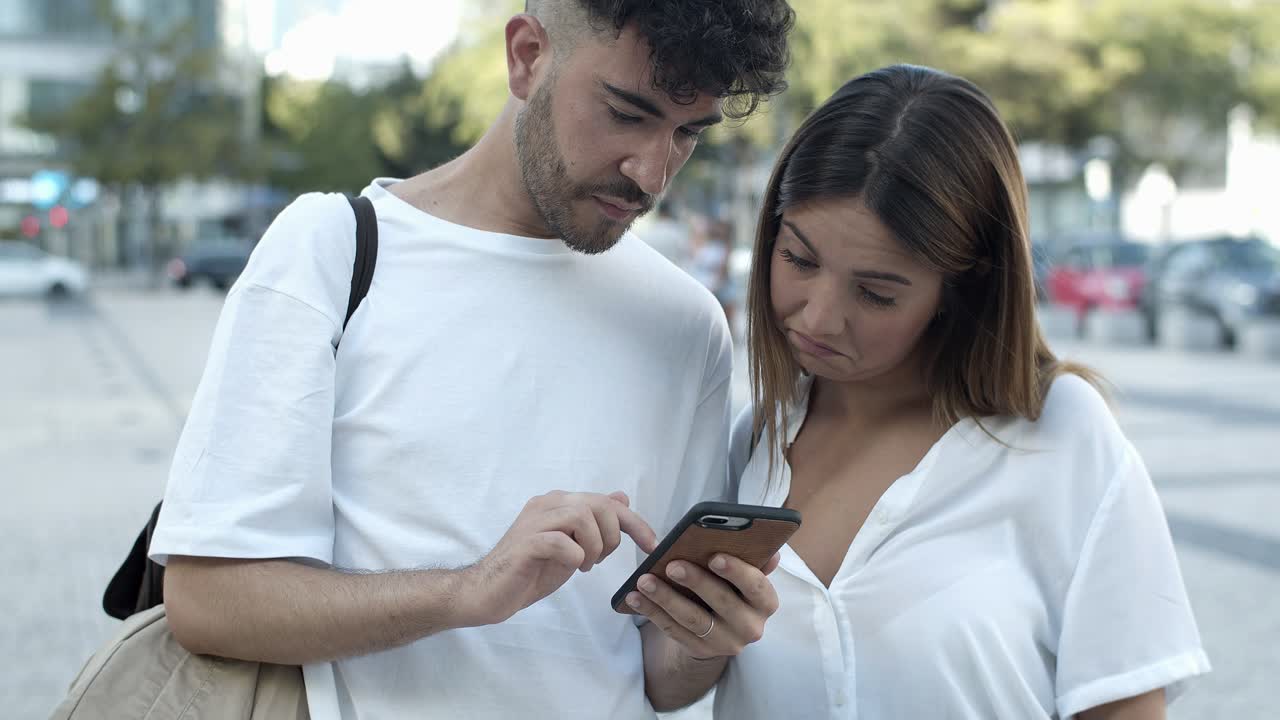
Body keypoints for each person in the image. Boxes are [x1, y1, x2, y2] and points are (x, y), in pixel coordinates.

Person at [148, 2, 794, 718]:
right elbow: (208, 598)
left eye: (687, 133)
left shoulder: (687, 323)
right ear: (527, 56)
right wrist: (468, 590)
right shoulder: (333, 250)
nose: (651, 173)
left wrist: (705, 641)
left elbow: (657, 676)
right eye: (625, 114)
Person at [717, 65, 1209, 719]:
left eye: (876, 293)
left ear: (963, 284)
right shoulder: (755, 440)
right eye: (799, 260)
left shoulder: (1058, 432)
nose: (819, 317)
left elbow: (1126, 705)